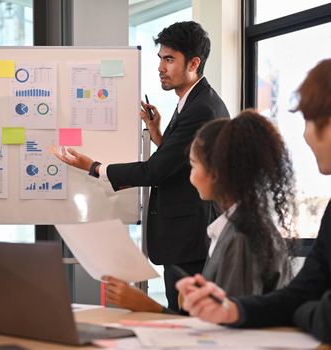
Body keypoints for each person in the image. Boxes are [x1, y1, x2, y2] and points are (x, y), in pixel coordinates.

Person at [55, 21, 229, 311]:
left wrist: (94, 166)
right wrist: (157, 131)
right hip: (185, 234)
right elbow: (182, 161)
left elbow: (156, 171)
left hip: (190, 237)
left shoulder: (201, 108)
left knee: (186, 319)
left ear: (194, 63)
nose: (161, 67)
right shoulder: (193, 101)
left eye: (170, 59)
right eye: (160, 58)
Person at [177, 59, 331, 345]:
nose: (306, 134)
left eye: (310, 120)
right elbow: (302, 295)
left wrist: (306, 311)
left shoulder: (242, 235)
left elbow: (319, 312)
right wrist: (230, 309)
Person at [104, 110, 294, 313]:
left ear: (217, 172)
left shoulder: (241, 238)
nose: (190, 177)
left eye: (192, 166)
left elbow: (227, 333)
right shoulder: (237, 225)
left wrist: (149, 307)